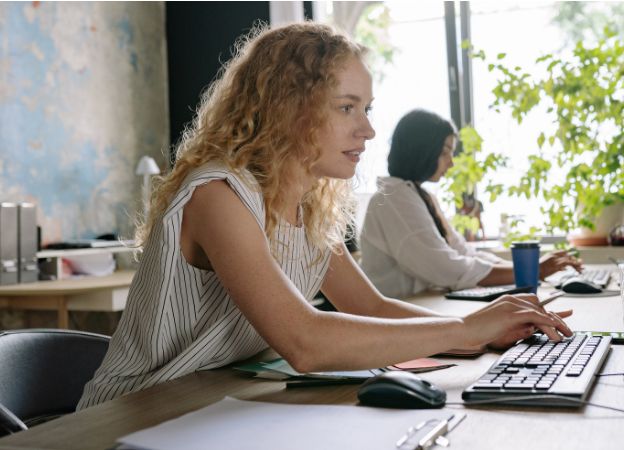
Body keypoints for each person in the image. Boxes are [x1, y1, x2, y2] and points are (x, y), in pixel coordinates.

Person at [77, 22, 573, 410]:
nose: (368, 131)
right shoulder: (218, 195)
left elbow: (372, 309)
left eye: (368, 108)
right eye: (346, 108)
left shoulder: (310, 204)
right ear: (287, 107)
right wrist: (464, 331)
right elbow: (305, 341)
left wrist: (479, 329)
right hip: (133, 412)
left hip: (211, 403)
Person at [359, 109, 583, 300]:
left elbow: (462, 251)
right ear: (423, 150)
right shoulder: (393, 198)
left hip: (422, 305)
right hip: (400, 317)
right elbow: (447, 269)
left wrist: (531, 271)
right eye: (445, 152)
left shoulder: (417, 195)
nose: (451, 162)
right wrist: (534, 271)